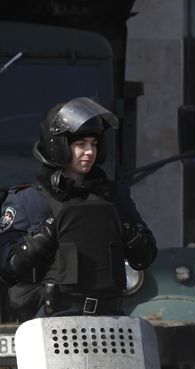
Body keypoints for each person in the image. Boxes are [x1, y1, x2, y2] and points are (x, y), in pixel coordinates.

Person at [0, 97, 156, 319]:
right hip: (52, 323)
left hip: (110, 319)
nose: (90, 152)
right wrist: (39, 240)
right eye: (81, 144)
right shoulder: (30, 200)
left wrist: (129, 233)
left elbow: (146, 255)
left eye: (94, 144)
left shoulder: (114, 196)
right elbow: (7, 268)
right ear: (59, 146)